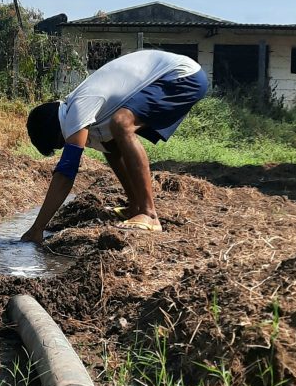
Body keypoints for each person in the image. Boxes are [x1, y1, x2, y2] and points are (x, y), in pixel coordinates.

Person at [21, 48, 208, 243]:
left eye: (61, 143)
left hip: (183, 75)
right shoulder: (76, 109)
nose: (67, 144)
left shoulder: (77, 109)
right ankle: (135, 205)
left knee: (121, 123)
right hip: (169, 76)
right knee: (109, 145)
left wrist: (37, 228)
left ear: (58, 131)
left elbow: (67, 171)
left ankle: (149, 214)